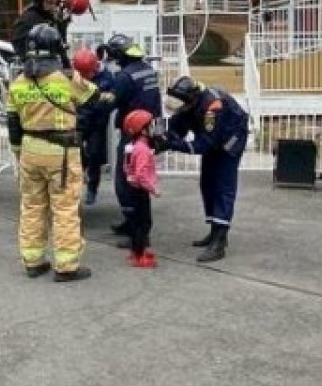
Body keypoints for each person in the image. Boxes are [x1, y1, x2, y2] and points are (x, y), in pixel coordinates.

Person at [6, 24, 99, 282]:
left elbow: (13, 126)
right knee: (65, 208)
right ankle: (66, 266)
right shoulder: (67, 79)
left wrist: (18, 153)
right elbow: (94, 97)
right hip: (61, 153)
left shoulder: (17, 84)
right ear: (57, 48)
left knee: (32, 206)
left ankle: (33, 261)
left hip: (28, 151)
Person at [158, 76, 249, 263]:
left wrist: (175, 145)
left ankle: (220, 242)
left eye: (182, 106)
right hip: (214, 139)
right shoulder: (187, 101)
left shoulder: (213, 108)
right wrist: (158, 138)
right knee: (207, 184)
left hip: (230, 141)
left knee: (223, 187)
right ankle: (214, 230)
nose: (180, 109)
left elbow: (203, 144)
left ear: (190, 100)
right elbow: (176, 126)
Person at [100, 33, 162, 237]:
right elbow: (157, 102)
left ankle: (137, 230)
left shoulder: (125, 77)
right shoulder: (148, 71)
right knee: (139, 180)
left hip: (133, 135)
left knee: (126, 182)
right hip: (149, 132)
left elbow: (109, 104)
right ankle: (133, 224)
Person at [72, 47, 114, 206]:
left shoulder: (106, 77)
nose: (83, 77)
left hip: (97, 122)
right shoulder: (75, 75)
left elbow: (111, 97)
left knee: (95, 155)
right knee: (76, 155)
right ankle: (75, 188)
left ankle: (92, 188)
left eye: (85, 73)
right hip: (80, 121)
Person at [120, 109, 159, 268]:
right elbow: (141, 174)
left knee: (137, 222)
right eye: (150, 126)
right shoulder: (142, 149)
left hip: (132, 189)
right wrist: (153, 189)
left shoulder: (132, 146)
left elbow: (126, 168)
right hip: (140, 190)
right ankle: (139, 254)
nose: (153, 129)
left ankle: (136, 251)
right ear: (142, 130)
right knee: (144, 224)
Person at [11, 0, 70, 67]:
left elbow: (60, 46)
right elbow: (20, 48)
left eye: (56, 2)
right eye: (49, 2)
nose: (53, 6)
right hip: (37, 70)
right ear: (39, 1)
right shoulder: (28, 20)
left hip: (54, 68)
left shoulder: (52, 20)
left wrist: (62, 25)